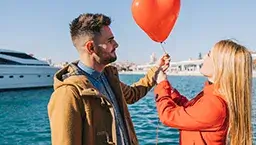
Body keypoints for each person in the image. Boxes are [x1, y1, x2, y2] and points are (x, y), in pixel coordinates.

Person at [47, 13, 170, 145]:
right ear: (91, 47)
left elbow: (132, 94)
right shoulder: (68, 94)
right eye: (110, 40)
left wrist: (156, 70)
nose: (116, 44)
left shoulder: (108, 77)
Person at [154, 39, 253, 145]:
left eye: (209, 54)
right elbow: (187, 109)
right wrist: (167, 87)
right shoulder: (214, 96)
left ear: (221, 66)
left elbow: (168, 116)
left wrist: (162, 83)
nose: (205, 57)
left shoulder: (214, 104)